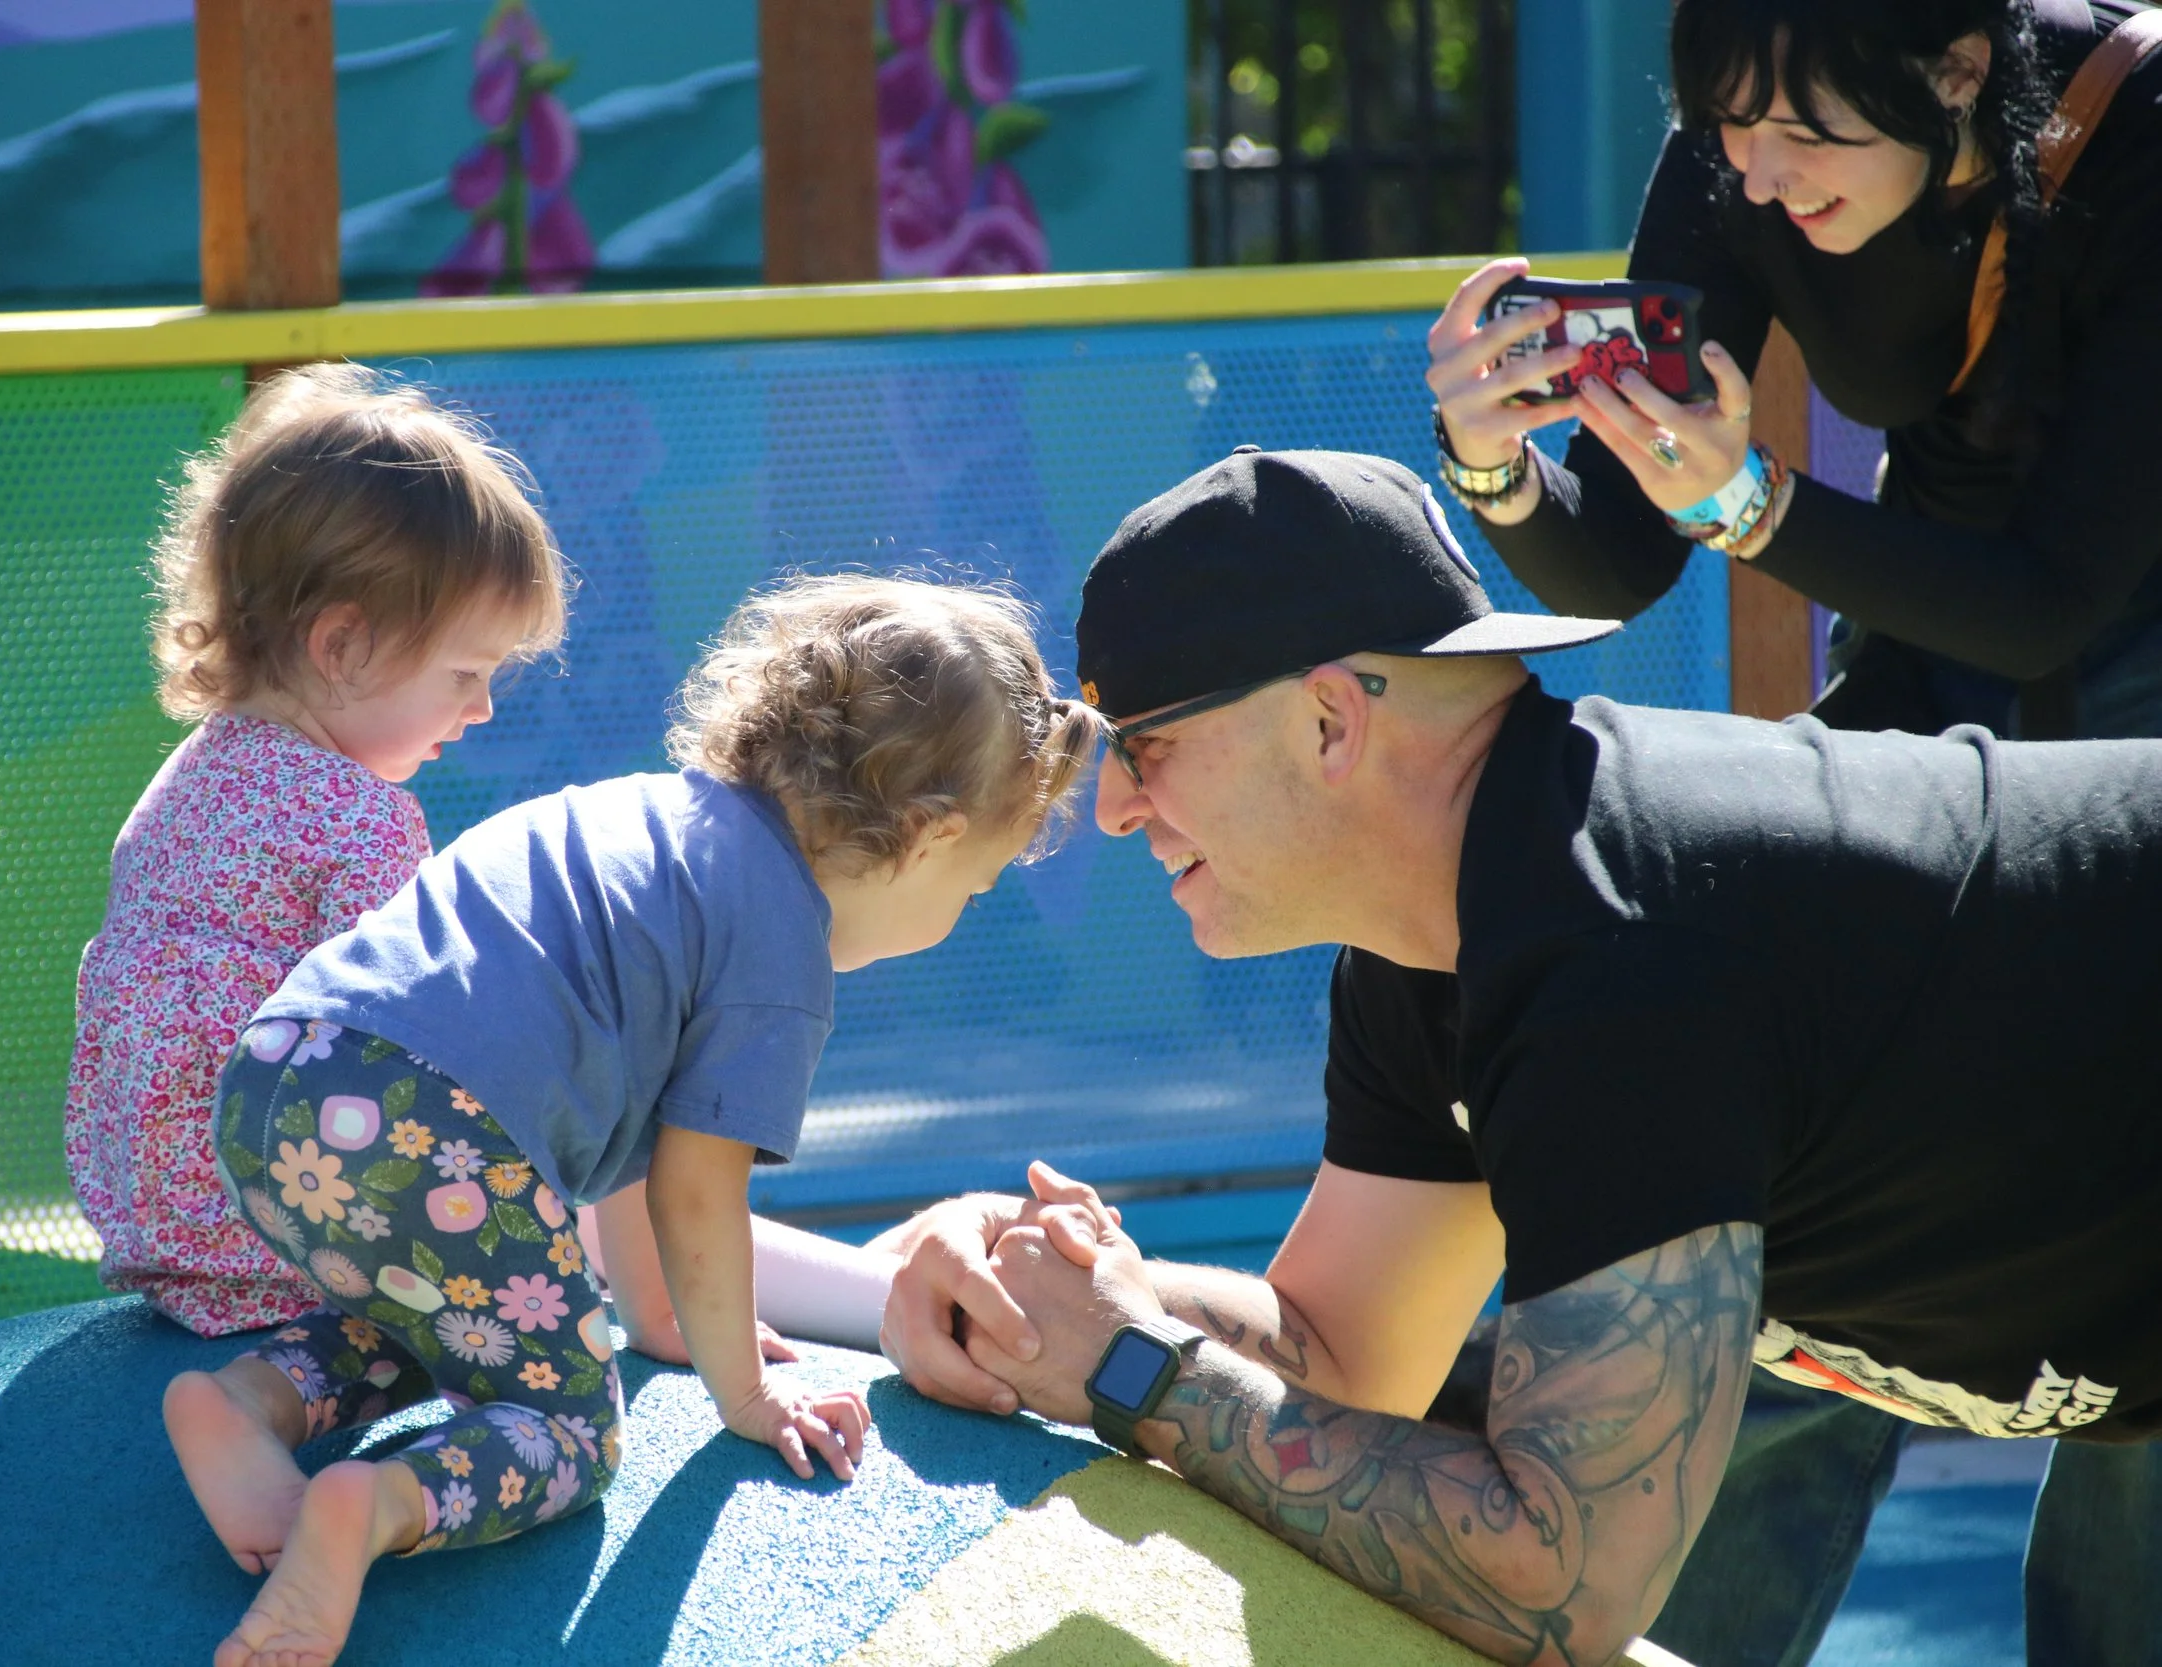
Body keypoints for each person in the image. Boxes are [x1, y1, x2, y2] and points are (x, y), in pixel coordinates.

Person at [879, 448, 2162, 1667]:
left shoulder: (1615, 944)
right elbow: (1342, 1356)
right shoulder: (1435, 937)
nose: (1110, 807)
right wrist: (1070, 1285)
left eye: (1144, 744)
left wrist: (1130, 1364)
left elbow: (1559, 1582)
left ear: (1329, 719)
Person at [170, 574, 1101, 1667]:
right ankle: (371, 1505)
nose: (961, 912)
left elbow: (626, 1137)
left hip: (283, 1081)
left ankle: (251, 1400)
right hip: (429, 1118)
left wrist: (657, 1317)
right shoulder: (778, 946)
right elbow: (693, 1187)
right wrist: (743, 1391)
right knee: (569, 1425)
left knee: (459, 1314)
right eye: (977, 885)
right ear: (928, 836)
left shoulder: (657, 821)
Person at [65, 362, 896, 1360]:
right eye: (465, 672)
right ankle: (866, 1302)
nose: (483, 708)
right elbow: (427, 1053)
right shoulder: (358, 821)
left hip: (166, 1238)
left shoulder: (192, 778)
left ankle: (861, 1291)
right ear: (342, 644)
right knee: (569, 1189)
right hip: (294, 1247)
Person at [1427, 0, 2162, 741]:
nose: (1761, 179)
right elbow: (1619, 556)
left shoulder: (2140, 127)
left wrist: (1747, 503)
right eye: (1734, 118)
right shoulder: (1742, 135)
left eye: (1808, 132)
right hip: (1926, 650)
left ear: (1959, 71)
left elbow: (2044, 605)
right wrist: (1496, 468)